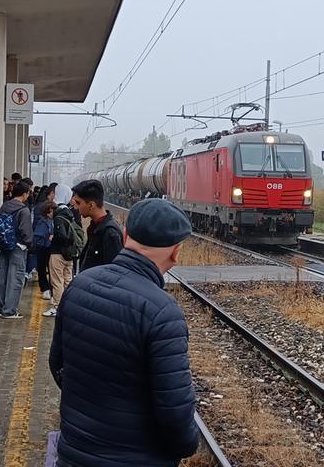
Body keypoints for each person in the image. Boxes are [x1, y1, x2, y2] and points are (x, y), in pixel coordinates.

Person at [49, 199, 198, 466]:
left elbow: (57, 364)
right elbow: (175, 412)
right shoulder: (162, 312)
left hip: (74, 453)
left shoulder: (80, 285)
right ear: (176, 253)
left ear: (126, 235)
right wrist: (185, 446)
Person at [0, 181, 33, 319]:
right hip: (18, 247)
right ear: (24, 194)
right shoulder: (23, 210)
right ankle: (10, 310)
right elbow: (25, 232)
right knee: (15, 279)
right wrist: (29, 244)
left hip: (4, 245)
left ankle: (1, 306)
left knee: (3, 277)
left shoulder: (4, 206)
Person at [70, 179, 123, 272]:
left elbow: (114, 274)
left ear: (91, 205)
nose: (75, 207)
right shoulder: (95, 227)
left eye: (78, 203)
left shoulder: (110, 234)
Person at [45, 203, 82, 318]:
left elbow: (62, 237)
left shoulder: (58, 219)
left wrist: (53, 238)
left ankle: (57, 307)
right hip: (70, 255)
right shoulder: (71, 218)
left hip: (58, 254)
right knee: (68, 281)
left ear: (53, 210)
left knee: (57, 281)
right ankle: (69, 306)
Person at [31, 200, 56, 304]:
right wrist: (48, 238)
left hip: (49, 247)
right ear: (48, 211)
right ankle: (45, 288)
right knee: (42, 268)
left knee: (50, 269)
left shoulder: (53, 221)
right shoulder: (42, 222)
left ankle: (49, 289)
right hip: (43, 247)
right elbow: (38, 237)